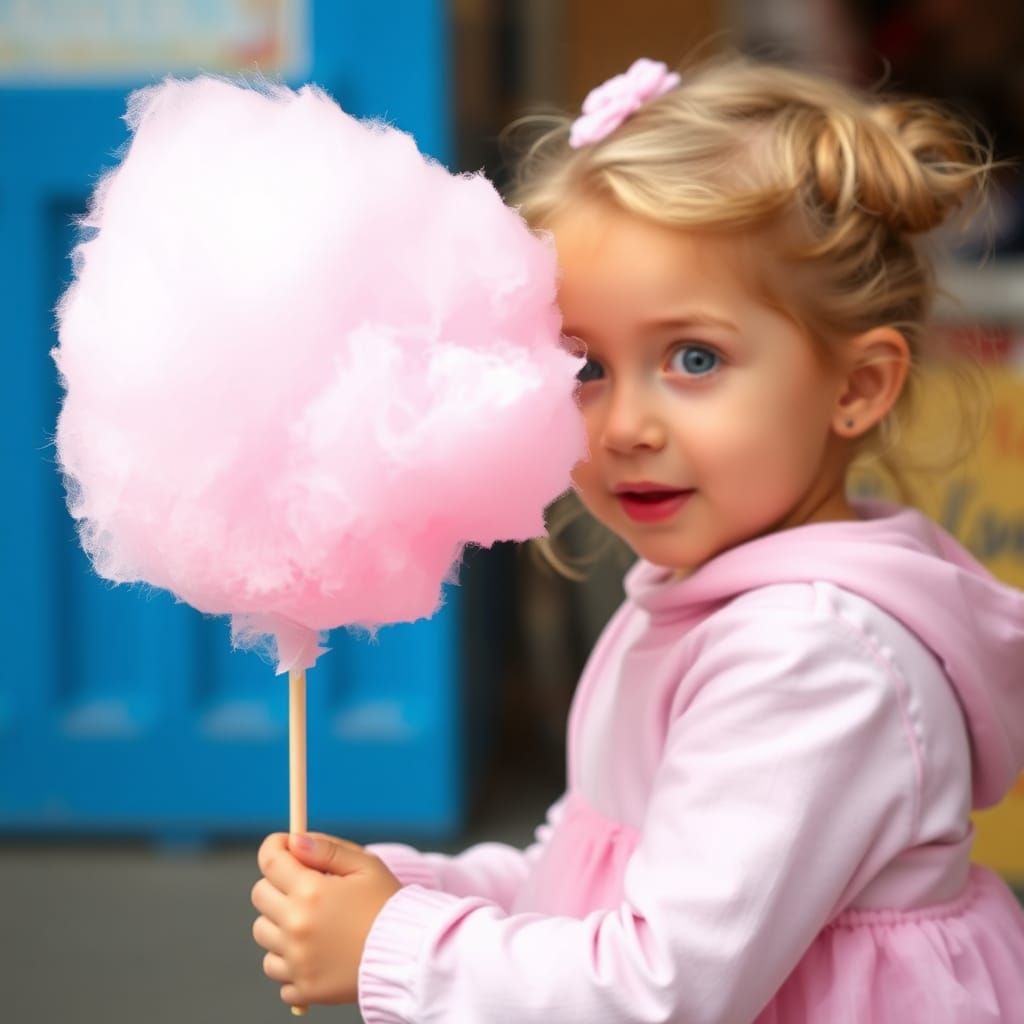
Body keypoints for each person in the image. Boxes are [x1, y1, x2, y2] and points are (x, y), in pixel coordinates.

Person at [250, 55, 1024, 1022]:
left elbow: (661, 988)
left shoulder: (809, 657)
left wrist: (396, 946)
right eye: (586, 365)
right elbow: (590, 864)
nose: (624, 427)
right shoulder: (706, 596)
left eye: (694, 358)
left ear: (857, 386)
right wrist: (406, 895)